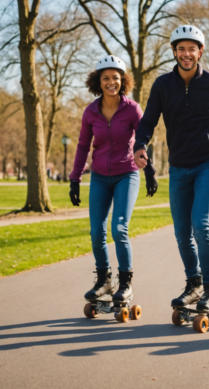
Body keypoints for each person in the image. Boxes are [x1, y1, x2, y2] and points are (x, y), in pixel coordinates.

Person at [132, 25, 209, 314]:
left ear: (200, 52)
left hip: (208, 161)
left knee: (201, 223)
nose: (186, 54)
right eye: (181, 48)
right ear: (174, 52)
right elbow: (147, 120)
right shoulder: (162, 85)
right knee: (182, 231)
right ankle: (194, 283)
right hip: (178, 165)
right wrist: (140, 144)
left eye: (192, 48)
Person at [69, 55, 144, 305]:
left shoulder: (132, 108)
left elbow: (143, 141)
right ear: (98, 82)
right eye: (106, 78)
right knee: (96, 232)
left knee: (119, 229)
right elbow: (82, 145)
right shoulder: (90, 112)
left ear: (123, 81)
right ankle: (104, 280)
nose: (111, 82)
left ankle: (125, 283)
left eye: (115, 77)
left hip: (127, 173)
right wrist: (75, 179)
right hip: (100, 177)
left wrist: (151, 172)